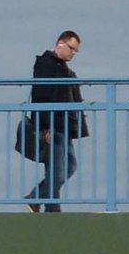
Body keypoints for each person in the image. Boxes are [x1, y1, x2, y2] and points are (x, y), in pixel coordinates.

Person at [23, 30, 85, 213]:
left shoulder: (65, 70)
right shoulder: (46, 64)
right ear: (60, 43)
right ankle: (49, 206)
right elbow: (42, 95)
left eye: (76, 50)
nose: (73, 53)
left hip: (63, 124)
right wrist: (46, 125)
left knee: (68, 166)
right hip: (52, 124)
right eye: (71, 48)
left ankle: (39, 199)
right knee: (58, 168)